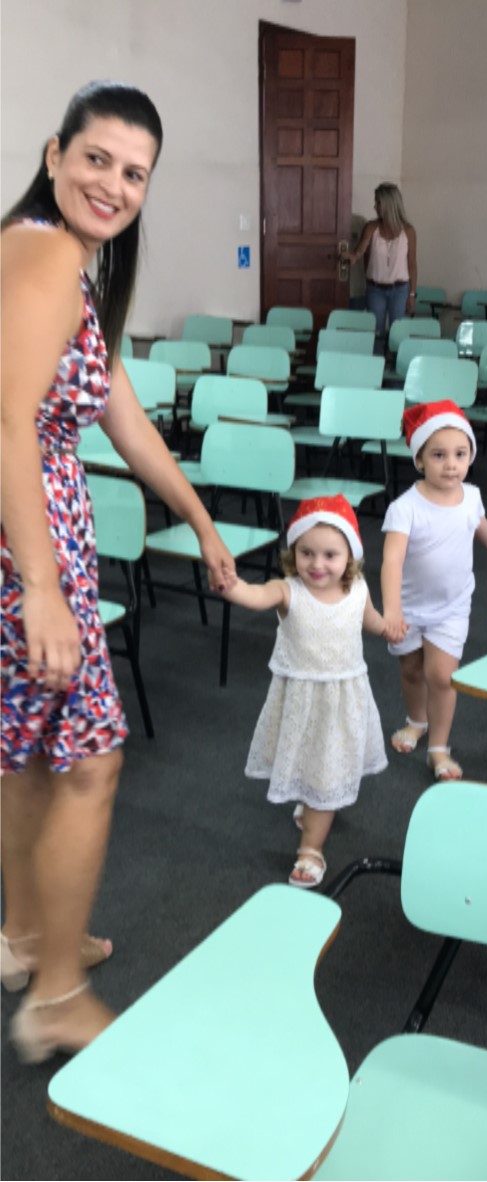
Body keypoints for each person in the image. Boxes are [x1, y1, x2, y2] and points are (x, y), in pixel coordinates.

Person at [1, 81, 237, 1063]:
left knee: (26, 754)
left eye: (135, 172)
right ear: (54, 155)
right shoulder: (44, 253)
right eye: (96, 158)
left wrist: (200, 520)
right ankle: (57, 995)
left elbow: (125, 422)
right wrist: (43, 588)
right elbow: (8, 424)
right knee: (90, 761)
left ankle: (28, 937)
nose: (114, 184)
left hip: (34, 538)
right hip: (26, 549)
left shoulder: (63, 265)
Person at [222, 495, 390, 890]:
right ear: (293, 551)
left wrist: (389, 629)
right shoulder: (287, 590)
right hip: (299, 698)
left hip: (342, 700)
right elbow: (256, 596)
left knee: (327, 768)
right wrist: (233, 586)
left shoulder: (358, 589)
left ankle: (311, 849)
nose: (317, 564)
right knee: (308, 755)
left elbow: (370, 620)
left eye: (330, 555)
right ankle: (312, 801)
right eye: (306, 553)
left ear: (350, 556)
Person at [381, 401, 487, 782]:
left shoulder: (472, 496)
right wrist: (392, 610)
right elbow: (392, 561)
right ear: (419, 459)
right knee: (411, 670)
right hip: (409, 608)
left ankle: (438, 747)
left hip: (452, 606)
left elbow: (482, 529)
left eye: (460, 454)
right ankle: (417, 721)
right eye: (439, 455)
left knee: (442, 677)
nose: (451, 464)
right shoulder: (405, 508)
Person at [340, 183, 417, 342]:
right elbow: (359, 251)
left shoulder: (408, 231)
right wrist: (351, 257)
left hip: (400, 290)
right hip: (375, 290)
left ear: (389, 204)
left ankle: (396, 358)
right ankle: (376, 357)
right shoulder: (371, 227)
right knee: (376, 333)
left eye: (378, 202)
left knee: (398, 334)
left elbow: (412, 264)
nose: (375, 206)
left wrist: (412, 294)